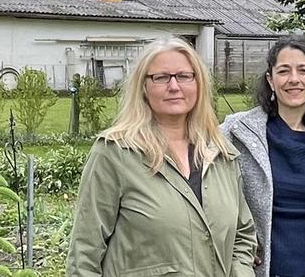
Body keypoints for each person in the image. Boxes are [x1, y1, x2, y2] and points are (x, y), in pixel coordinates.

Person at [67, 37, 258, 276]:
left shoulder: (219, 153)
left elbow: (243, 235)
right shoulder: (116, 153)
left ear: (198, 84)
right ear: (144, 87)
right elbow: (85, 250)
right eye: (161, 77)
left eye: (184, 76)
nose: (174, 86)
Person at [221, 34, 305, 277]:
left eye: (303, 70)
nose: (293, 79)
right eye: (284, 71)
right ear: (270, 79)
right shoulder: (235, 134)